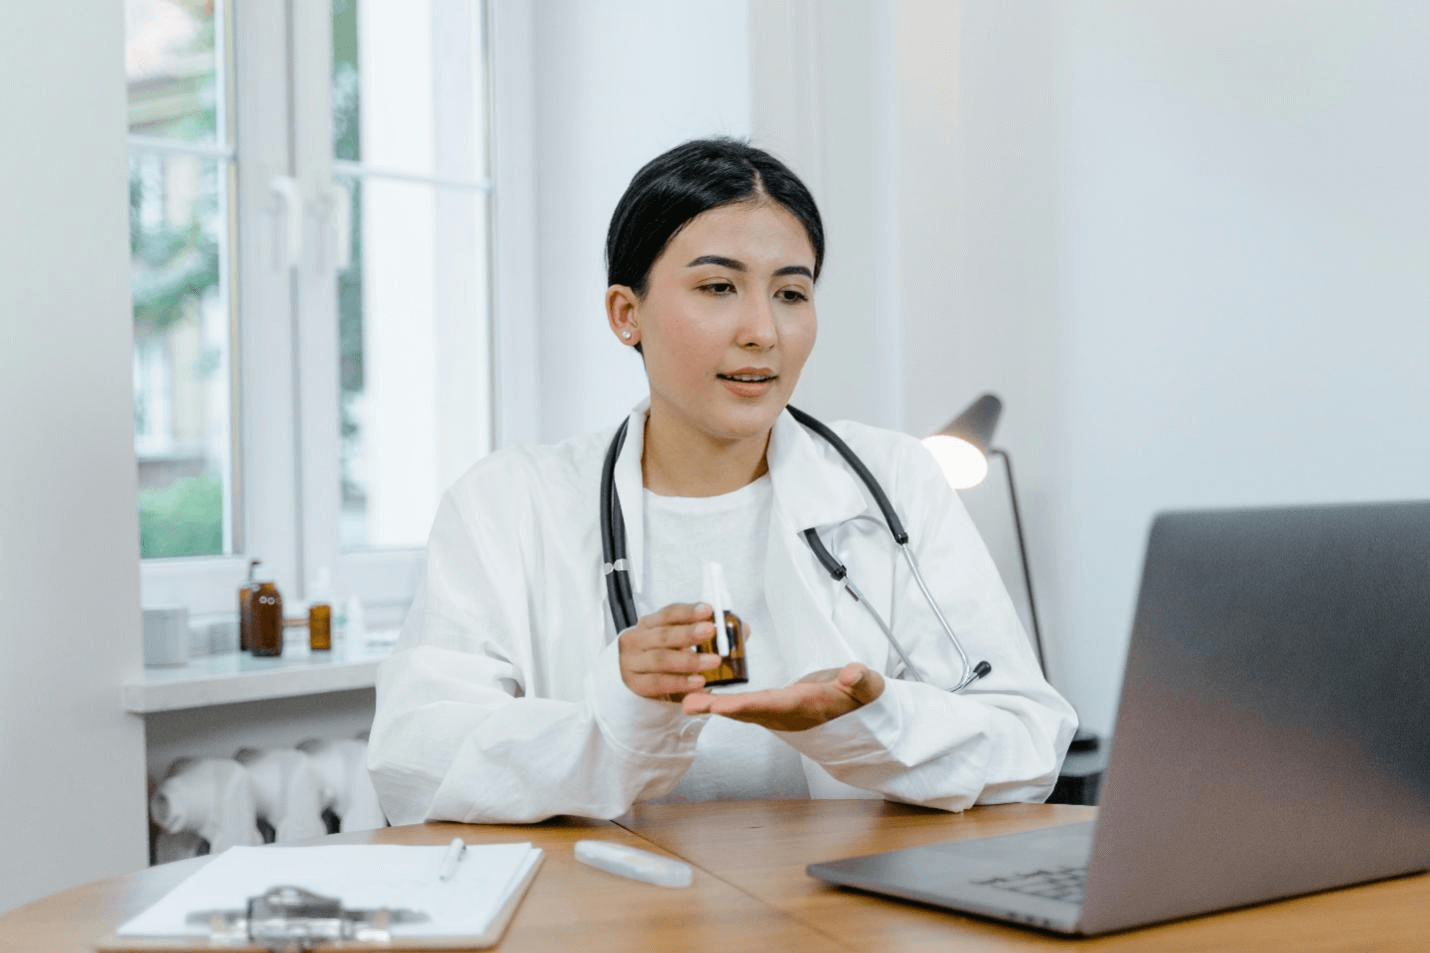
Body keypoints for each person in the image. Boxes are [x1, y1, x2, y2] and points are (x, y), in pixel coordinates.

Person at [368, 138, 1076, 825]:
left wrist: (869, 720)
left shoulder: (891, 480)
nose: (764, 330)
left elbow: (1028, 741)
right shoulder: (509, 504)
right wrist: (622, 714)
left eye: (791, 293)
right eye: (717, 286)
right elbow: (415, 761)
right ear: (626, 313)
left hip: (841, 915)